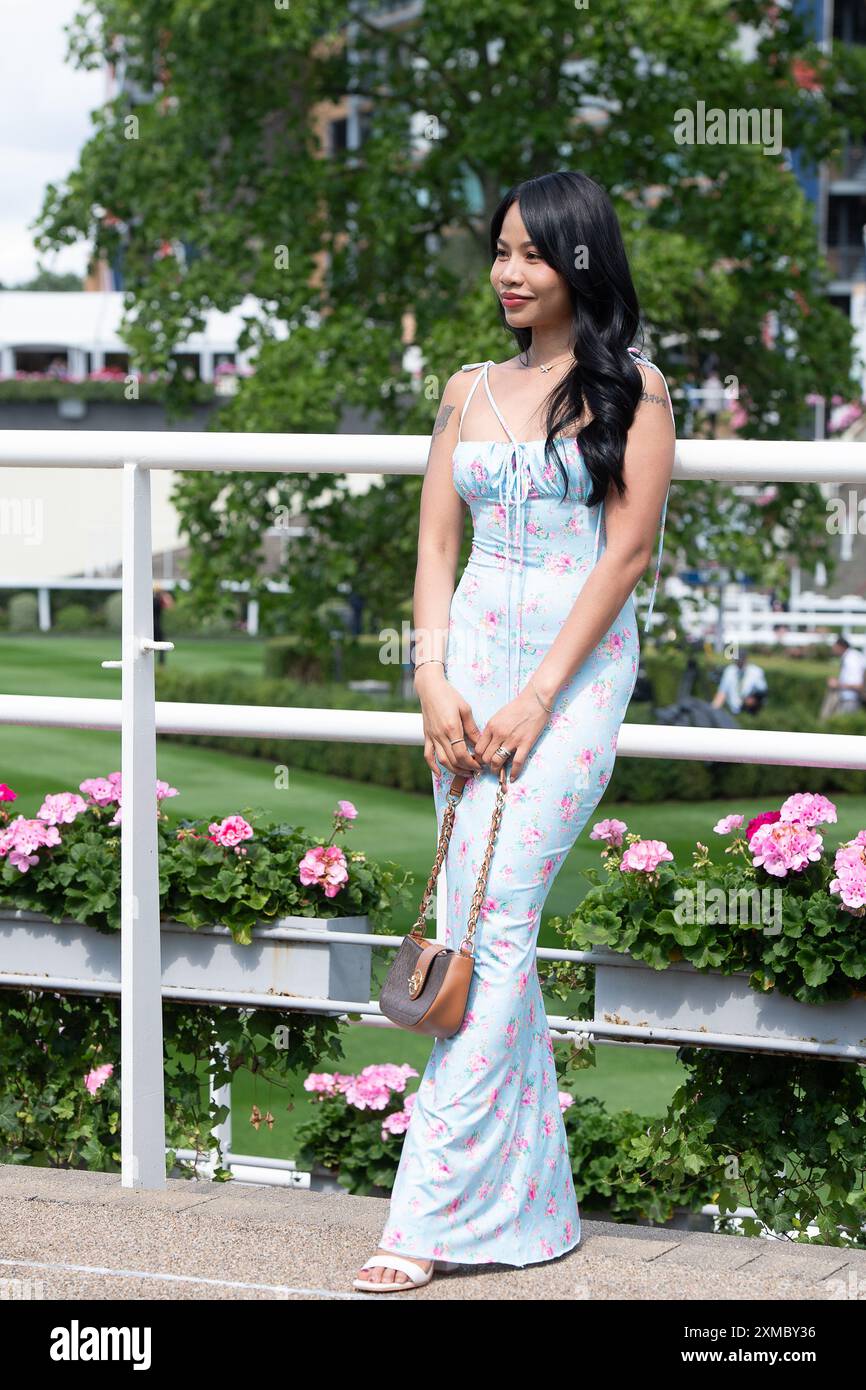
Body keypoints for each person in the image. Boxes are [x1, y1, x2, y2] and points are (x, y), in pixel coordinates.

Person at [353, 171, 675, 1292]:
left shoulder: (635, 388)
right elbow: (434, 547)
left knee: (495, 916)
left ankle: (424, 1214)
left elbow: (625, 554)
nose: (506, 272)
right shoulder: (464, 388)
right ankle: (531, 1214)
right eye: (498, 250)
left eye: (531, 254)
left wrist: (538, 694)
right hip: (464, 675)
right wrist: (430, 681)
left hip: (570, 681)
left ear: (580, 262)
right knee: (469, 916)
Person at [820, 635, 866, 719]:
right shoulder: (852, 656)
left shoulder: (851, 660)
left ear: (841, 647)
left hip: (850, 701)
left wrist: (837, 684)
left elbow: (858, 685)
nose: (833, 649)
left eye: (835, 646)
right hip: (849, 700)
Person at [711, 650, 768, 716]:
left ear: (746, 659)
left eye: (741, 659)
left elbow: (763, 692)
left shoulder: (756, 672)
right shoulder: (729, 671)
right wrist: (713, 709)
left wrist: (753, 699)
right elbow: (722, 692)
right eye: (737, 659)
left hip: (750, 712)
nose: (739, 662)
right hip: (733, 712)